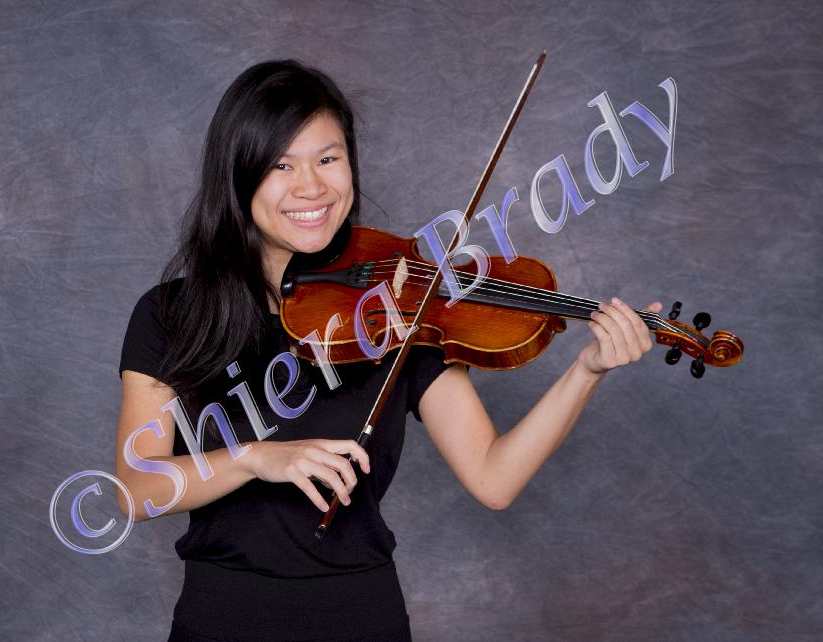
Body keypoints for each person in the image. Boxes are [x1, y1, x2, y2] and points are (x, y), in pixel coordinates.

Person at [115, 59, 663, 642]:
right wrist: (256, 457)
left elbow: (494, 478)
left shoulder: (400, 308)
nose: (311, 187)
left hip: (362, 618)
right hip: (219, 621)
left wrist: (587, 370)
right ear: (238, 175)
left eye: (329, 159)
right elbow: (135, 490)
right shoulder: (172, 315)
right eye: (281, 165)